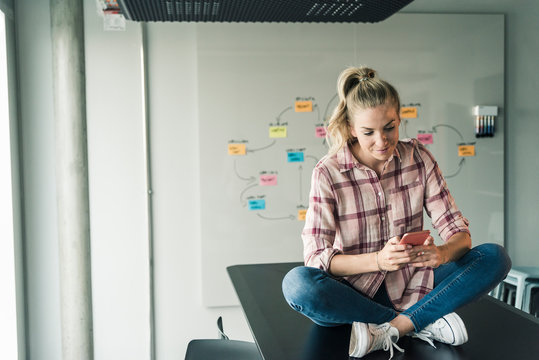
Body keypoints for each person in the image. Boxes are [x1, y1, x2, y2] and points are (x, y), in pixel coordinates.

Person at [281, 66, 511, 359]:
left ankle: (393, 328)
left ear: (399, 119)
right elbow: (317, 259)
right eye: (368, 132)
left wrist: (441, 253)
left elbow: (459, 234)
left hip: (417, 284)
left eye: (389, 127)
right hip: (352, 295)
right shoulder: (328, 172)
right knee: (297, 284)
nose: (382, 141)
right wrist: (379, 260)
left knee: (493, 257)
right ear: (352, 128)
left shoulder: (419, 157)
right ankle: (420, 320)